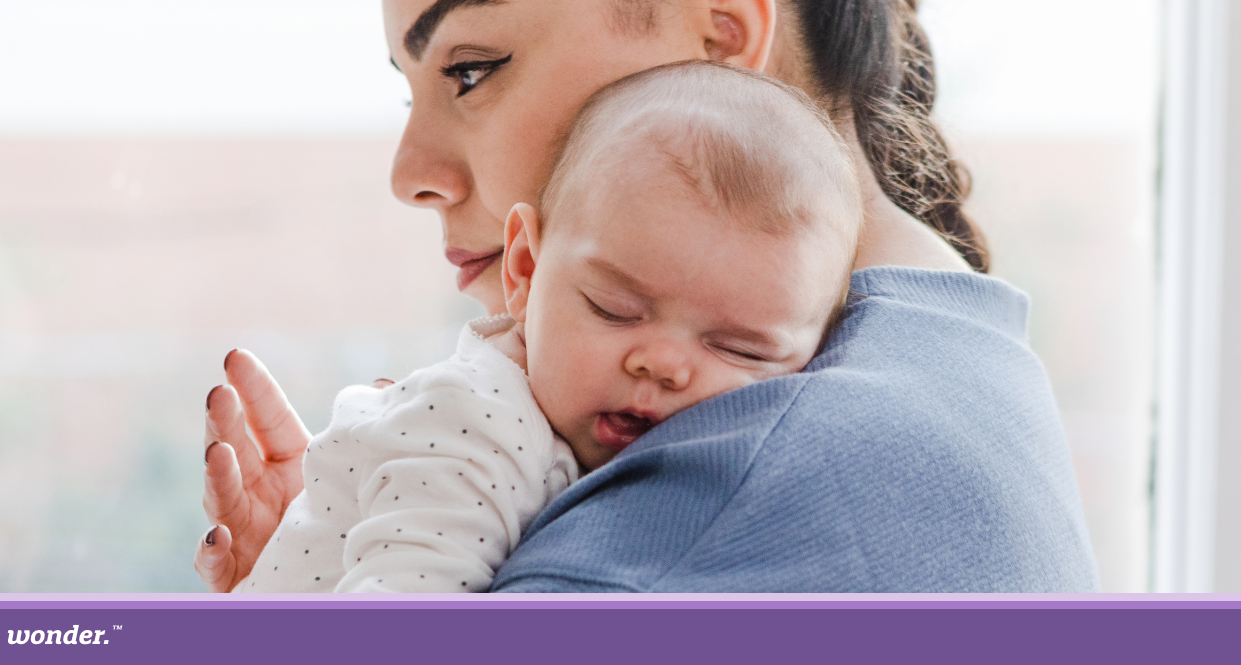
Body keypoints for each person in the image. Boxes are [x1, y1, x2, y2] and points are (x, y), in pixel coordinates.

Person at [195, 0, 1099, 592]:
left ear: (719, 35)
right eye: (409, 93)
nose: (409, 174)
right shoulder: (964, 354)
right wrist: (341, 552)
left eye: (472, 69)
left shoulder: (722, 492)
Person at [235, 61, 863, 592]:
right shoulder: (474, 431)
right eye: (614, 308)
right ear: (526, 267)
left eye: (740, 348)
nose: (663, 364)